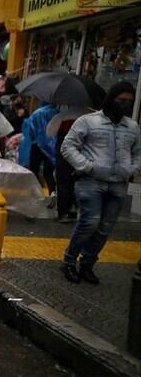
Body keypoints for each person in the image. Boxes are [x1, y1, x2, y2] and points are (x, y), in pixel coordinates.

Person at [59, 81, 140, 284]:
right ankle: (69, 261)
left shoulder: (132, 127)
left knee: (105, 228)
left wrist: (132, 169)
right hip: (90, 182)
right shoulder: (88, 121)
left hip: (118, 185)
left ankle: (87, 264)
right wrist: (86, 166)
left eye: (129, 102)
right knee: (89, 222)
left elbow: (138, 153)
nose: (125, 106)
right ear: (111, 99)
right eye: (121, 101)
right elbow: (68, 147)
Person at [48, 104, 87, 221]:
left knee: (63, 181)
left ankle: (63, 212)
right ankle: (74, 208)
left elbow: (49, 132)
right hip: (83, 154)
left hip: (64, 153)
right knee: (79, 181)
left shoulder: (62, 116)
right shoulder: (90, 117)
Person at [18, 103, 58, 197]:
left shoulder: (37, 113)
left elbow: (30, 129)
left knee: (34, 170)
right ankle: (52, 192)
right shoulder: (57, 113)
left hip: (37, 146)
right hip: (51, 147)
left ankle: (36, 193)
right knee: (48, 172)